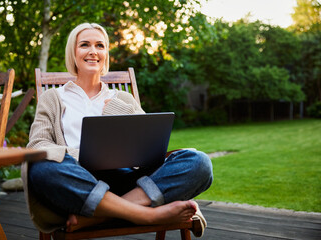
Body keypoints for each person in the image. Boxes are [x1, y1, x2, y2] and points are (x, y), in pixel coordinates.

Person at [21, 23, 213, 237]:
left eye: (100, 46)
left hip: (128, 183)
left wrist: (116, 110)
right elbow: (38, 145)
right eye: (85, 45)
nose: (93, 51)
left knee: (199, 162)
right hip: (77, 180)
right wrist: (80, 156)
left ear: (106, 53)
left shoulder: (123, 99)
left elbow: (148, 152)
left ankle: (105, 214)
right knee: (39, 167)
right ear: (73, 53)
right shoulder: (53, 98)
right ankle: (146, 214)